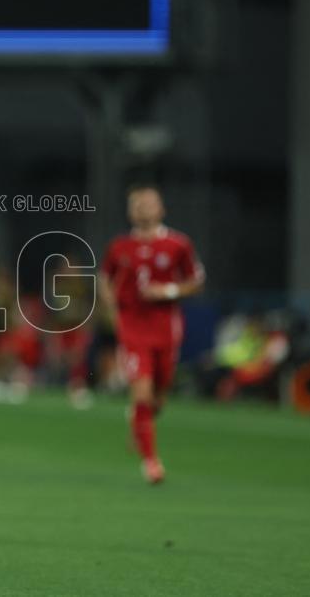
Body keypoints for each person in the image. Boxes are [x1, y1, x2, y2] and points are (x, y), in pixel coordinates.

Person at [99, 184, 203, 484]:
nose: (143, 208)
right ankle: (151, 462)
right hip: (132, 327)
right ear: (130, 210)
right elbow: (105, 279)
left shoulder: (178, 244)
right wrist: (112, 312)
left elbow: (196, 281)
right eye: (137, 204)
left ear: (161, 209)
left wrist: (167, 290)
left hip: (166, 327)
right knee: (142, 392)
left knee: (159, 396)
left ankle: (140, 423)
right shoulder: (119, 247)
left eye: (149, 203)